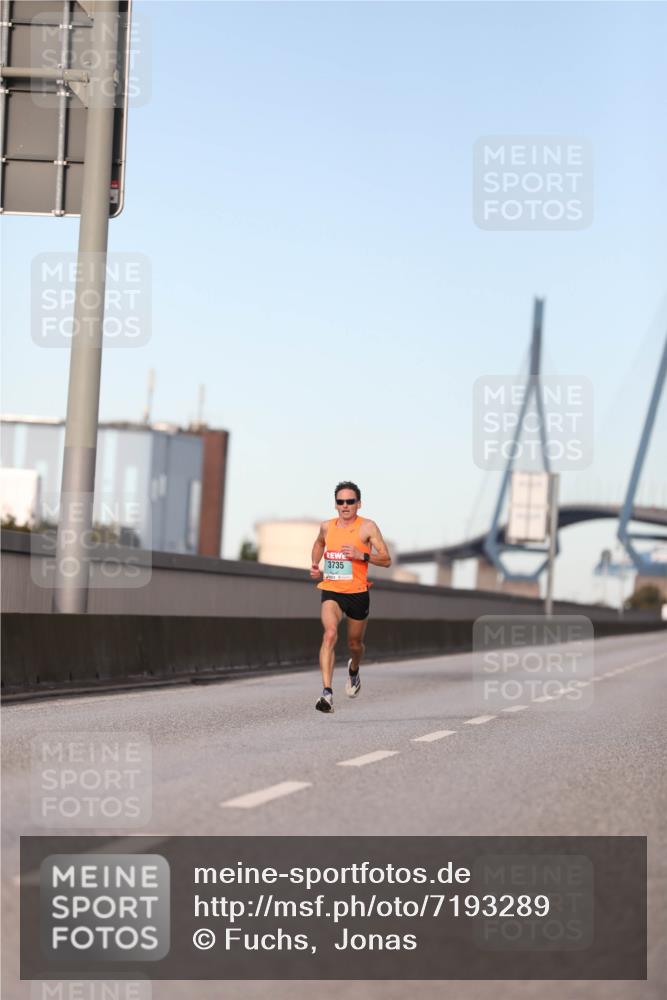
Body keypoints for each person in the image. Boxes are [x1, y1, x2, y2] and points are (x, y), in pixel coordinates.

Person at [309, 481, 391, 713]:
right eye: (340, 502)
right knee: (330, 634)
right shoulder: (327, 527)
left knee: (355, 644)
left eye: (350, 501)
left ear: (359, 504)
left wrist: (361, 554)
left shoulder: (368, 528)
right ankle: (327, 694)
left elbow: (386, 559)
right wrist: (315, 564)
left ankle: (354, 670)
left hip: (358, 593)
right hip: (333, 590)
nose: (345, 506)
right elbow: (318, 544)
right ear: (335, 505)